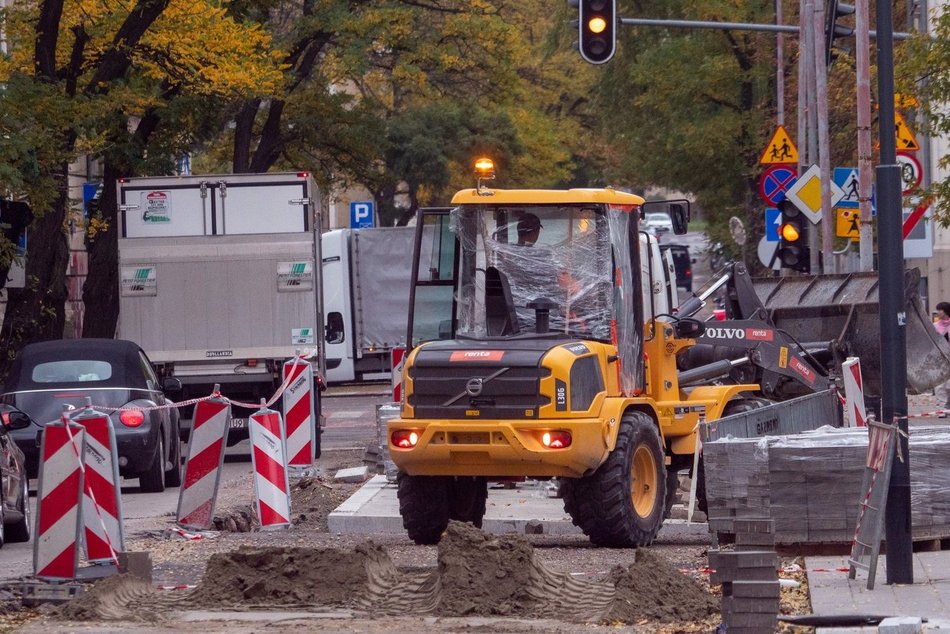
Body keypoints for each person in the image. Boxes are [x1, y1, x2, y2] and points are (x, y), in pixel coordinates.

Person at [934, 302, 950, 410]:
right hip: (939, 358)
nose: (938, 312)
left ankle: (948, 404)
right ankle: (942, 407)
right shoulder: (935, 326)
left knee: (949, 385)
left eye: (940, 310)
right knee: (939, 384)